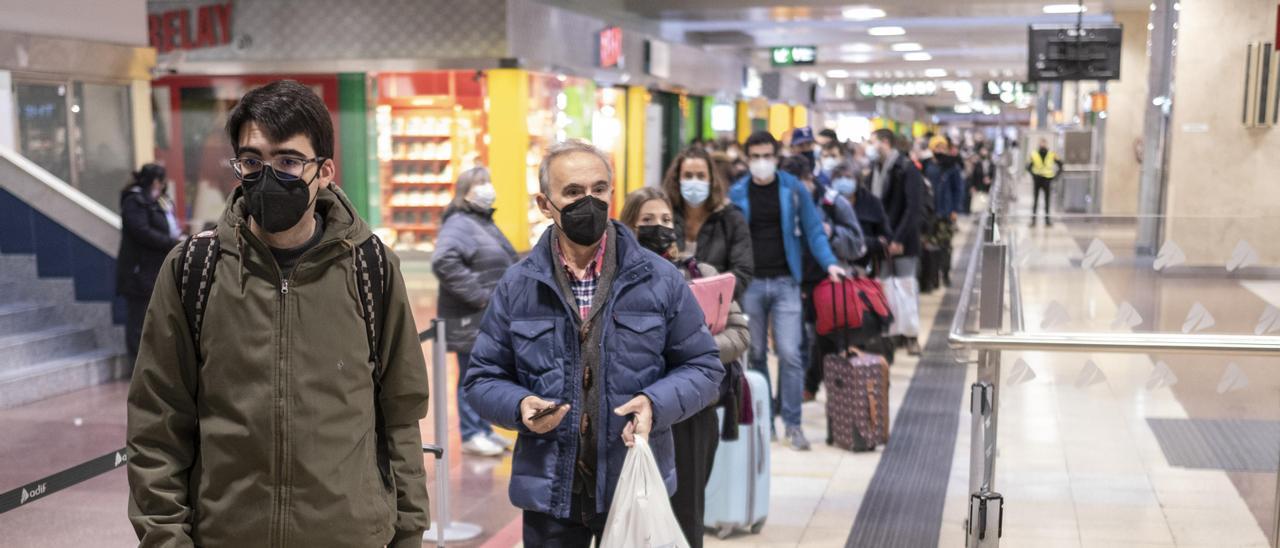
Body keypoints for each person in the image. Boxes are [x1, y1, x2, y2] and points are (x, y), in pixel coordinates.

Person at [127, 80, 430, 547]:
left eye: (289, 161)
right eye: (252, 161)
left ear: (325, 171)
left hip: (348, 535)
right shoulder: (194, 269)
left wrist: (408, 533)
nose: (268, 177)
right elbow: (157, 425)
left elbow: (401, 415)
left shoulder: (370, 267)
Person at [463, 139, 724, 546]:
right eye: (572, 192)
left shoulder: (659, 278)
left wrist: (655, 403)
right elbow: (482, 379)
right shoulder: (519, 285)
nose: (590, 202)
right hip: (550, 493)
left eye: (599, 189)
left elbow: (704, 368)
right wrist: (519, 406)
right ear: (544, 204)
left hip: (634, 484)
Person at [620, 187, 749, 548]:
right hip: (632, 414)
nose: (658, 228)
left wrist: (691, 349)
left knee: (687, 514)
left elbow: (739, 334)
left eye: (664, 220)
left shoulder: (701, 273)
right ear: (628, 225)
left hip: (692, 412)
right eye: (646, 221)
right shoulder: (615, 280)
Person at [730, 131, 847, 451]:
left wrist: (830, 263)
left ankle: (793, 424)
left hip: (786, 283)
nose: (761, 162)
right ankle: (765, 422)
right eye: (755, 156)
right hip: (751, 283)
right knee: (754, 355)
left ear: (776, 155)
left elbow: (813, 230)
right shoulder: (738, 192)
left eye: (766, 155)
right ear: (747, 158)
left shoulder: (792, 189)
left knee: (791, 354)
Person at [431, 166, 518, 457]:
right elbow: (444, 261)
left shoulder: (480, 221)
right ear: (464, 191)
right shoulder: (459, 223)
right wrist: (480, 296)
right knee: (471, 375)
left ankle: (482, 429)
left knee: (482, 374)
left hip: (484, 319)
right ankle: (470, 432)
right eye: (479, 183)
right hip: (469, 318)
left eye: (488, 182)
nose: (486, 188)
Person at [779, 156, 866, 401]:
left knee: (825, 339)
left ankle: (834, 397)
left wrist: (832, 234)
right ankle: (796, 392)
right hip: (795, 281)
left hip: (829, 284)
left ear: (809, 180)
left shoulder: (833, 203)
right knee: (794, 344)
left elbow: (857, 245)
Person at [661, 147, 754, 301]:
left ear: (711, 180)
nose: (694, 181)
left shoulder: (731, 219)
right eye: (688, 176)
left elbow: (743, 272)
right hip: (671, 306)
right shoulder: (665, 217)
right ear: (678, 179)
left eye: (701, 176)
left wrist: (710, 294)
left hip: (718, 306)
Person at [116, 163, 182, 369]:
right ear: (155, 181)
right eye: (161, 182)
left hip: (154, 270)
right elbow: (141, 231)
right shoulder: (134, 202)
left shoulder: (158, 202)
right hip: (138, 271)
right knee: (138, 320)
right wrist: (171, 242)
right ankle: (138, 367)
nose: (163, 187)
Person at [871, 128, 924, 356]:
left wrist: (898, 238)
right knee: (885, 288)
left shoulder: (906, 168)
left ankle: (911, 336)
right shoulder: (876, 169)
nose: (870, 147)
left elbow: (914, 209)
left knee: (906, 287)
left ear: (885, 142)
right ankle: (891, 334)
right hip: (883, 240)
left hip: (904, 240)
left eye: (872, 142)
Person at [1027, 138, 1063, 226]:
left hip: (1047, 179)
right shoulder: (1034, 154)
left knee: (1047, 200)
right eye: (1041, 143)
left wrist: (1055, 176)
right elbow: (1028, 166)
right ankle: (1033, 220)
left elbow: (1060, 164)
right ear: (1039, 144)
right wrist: (1033, 175)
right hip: (1037, 179)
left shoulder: (1052, 154)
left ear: (1046, 144)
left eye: (1044, 143)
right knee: (1035, 200)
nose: (1043, 145)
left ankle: (1047, 220)